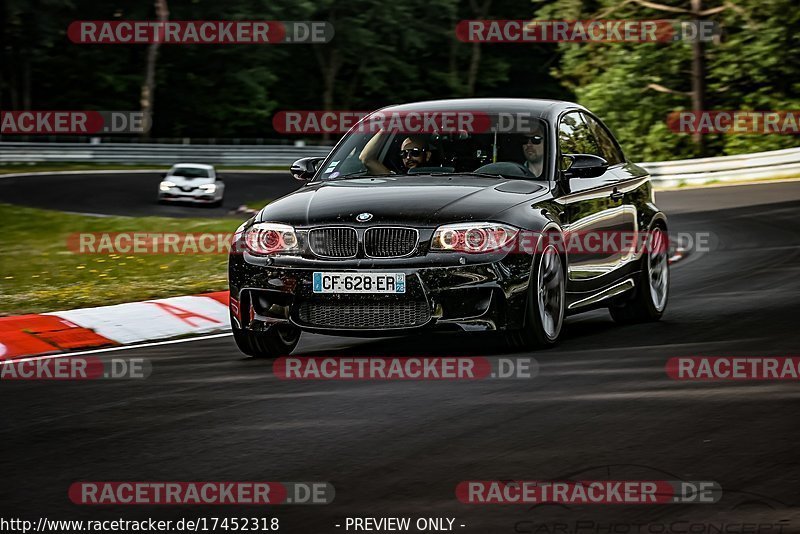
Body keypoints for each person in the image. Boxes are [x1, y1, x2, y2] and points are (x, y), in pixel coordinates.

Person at [360, 131, 432, 175]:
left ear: (428, 155)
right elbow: (366, 159)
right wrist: (385, 128)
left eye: (414, 152)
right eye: (404, 153)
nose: (408, 157)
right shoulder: (396, 179)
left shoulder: (440, 178)